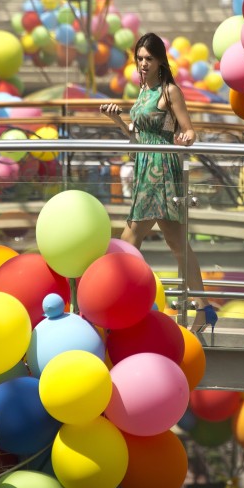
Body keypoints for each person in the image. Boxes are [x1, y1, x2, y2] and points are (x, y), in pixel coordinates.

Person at [100, 32, 216, 334]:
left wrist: (186, 138)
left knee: (131, 238)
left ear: (160, 61)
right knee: (176, 244)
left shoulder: (169, 91)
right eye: (139, 58)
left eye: (148, 59)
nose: (143, 64)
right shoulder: (143, 91)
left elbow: (189, 130)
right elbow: (137, 135)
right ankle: (204, 309)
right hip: (144, 168)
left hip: (161, 171)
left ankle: (116, 305)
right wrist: (117, 120)